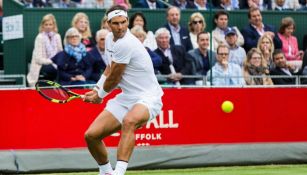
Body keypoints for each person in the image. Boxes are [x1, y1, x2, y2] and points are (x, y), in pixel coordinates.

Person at [83, 5, 163, 175]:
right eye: (116, 23)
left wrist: (100, 96)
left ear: (127, 21)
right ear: (108, 24)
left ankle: (118, 173)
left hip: (149, 97)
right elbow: (109, 69)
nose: (120, 27)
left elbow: (115, 78)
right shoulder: (111, 39)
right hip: (127, 97)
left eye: (123, 22)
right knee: (91, 136)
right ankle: (106, 172)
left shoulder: (127, 42)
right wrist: (96, 89)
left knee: (129, 121)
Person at [27, 14, 63, 87]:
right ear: (43, 26)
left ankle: (60, 89)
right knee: (53, 70)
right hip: (41, 64)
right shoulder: (39, 37)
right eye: (46, 24)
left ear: (54, 25)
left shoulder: (57, 36)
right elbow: (38, 59)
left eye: (50, 24)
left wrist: (58, 61)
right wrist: (52, 61)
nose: (48, 26)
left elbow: (60, 52)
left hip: (55, 63)